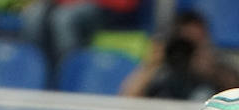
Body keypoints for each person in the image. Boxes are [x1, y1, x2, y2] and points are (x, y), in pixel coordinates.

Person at [119, 9, 239, 100]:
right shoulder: (161, 73)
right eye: (185, 42)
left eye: (196, 42)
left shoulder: (221, 71)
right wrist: (150, 66)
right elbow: (127, 100)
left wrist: (212, 72)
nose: (189, 49)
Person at [16, 0, 147, 70]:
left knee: (64, 19)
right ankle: (36, 76)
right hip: (70, 5)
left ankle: (70, 77)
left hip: (109, 10)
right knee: (33, 14)